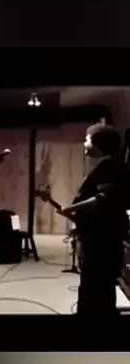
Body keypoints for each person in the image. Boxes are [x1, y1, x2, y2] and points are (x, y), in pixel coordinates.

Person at [57, 122, 130, 317]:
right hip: (99, 236)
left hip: (103, 239)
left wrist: (72, 208)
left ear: (99, 142)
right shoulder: (109, 165)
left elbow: (103, 199)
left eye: (87, 139)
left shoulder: (110, 165)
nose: (84, 143)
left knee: (96, 283)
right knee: (95, 284)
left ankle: (93, 322)